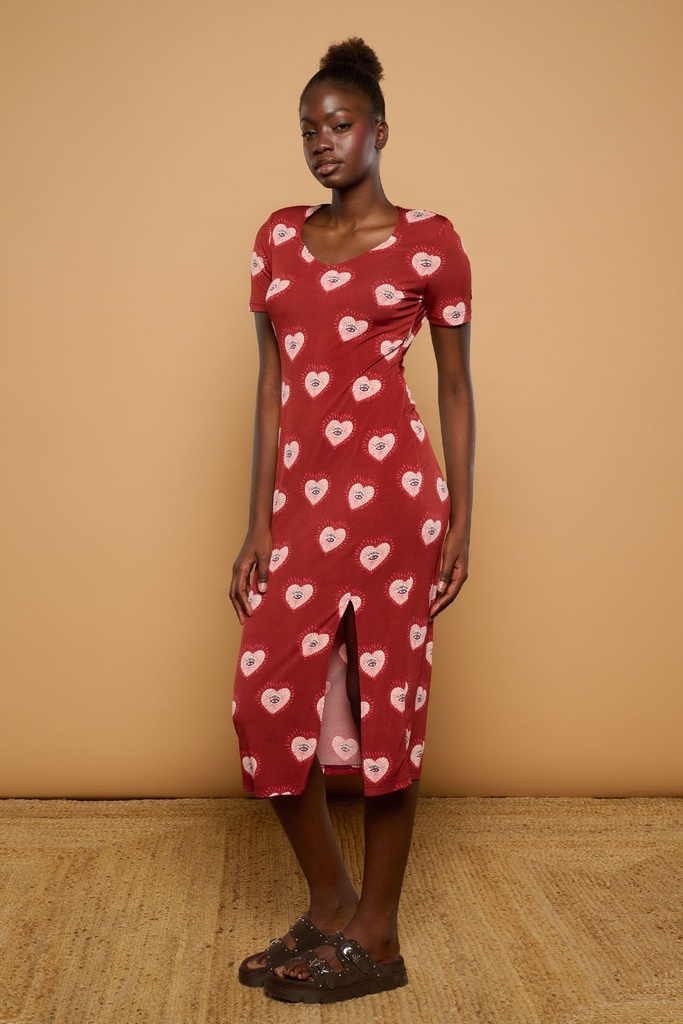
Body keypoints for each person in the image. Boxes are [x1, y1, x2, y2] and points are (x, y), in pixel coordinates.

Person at [229, 36, 474, 1004]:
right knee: (263, 698)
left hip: (395, 504)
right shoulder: (275, 238)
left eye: (338, 125)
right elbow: (269, 387)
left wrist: (461, 519)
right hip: (302, 509)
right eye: (308, 130)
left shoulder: (430, 242)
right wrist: (258, 522)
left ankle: (377, 935)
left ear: (379, 131)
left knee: (385, 710)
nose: (321, 143)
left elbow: (454, 389)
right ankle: (332, 902)